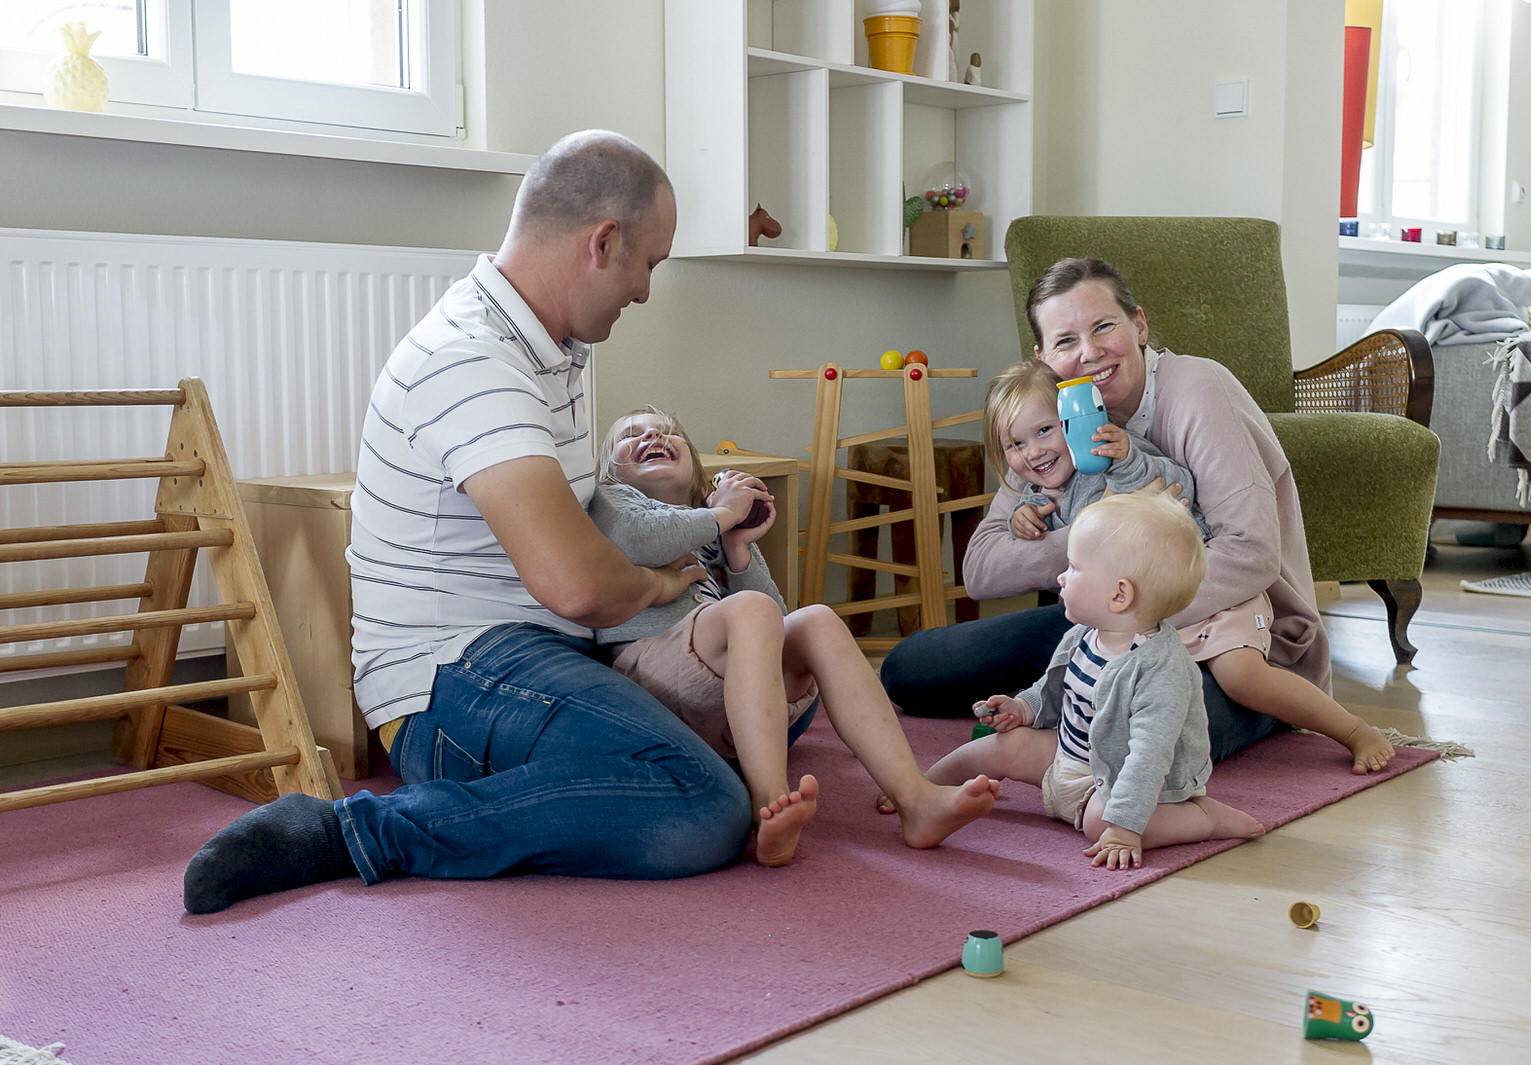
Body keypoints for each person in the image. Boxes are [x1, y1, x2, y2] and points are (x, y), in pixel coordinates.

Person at [182, 131, 760, 914]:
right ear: (603, 242)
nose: (647, 291)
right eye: (649, 264)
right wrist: (661, 581)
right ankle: (356, 830)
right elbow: (577, 584)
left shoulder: (559, 345)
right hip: (447, 675)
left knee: (775, 696)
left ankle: (566, 784)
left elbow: (588, 532)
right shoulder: (469, 358)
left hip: (541, 652)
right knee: (707, 805)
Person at [881, 257, 1393, 774]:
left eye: (1104, 326)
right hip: (1099, 618)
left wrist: (1132, 618)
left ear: (1139, 325)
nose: (1089, 352)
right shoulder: (1047, 425)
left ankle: (1071, 724)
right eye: (1065, 341)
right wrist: (1101, 540)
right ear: (1043, 357)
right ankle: (1066, 704)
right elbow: (984, 568)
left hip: (1231, 637)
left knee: (1135, 741)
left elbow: (1253, 553)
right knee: (911, 669)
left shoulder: (1198, 391)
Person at [589, 407, 998, 867]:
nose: (652, 436)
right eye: (631, 435)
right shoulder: (609, 501)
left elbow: (775, 624)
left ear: (697, 476)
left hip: (725, 686)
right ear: (610, 468)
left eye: (666, 432)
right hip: (651, 676)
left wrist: (739, 550)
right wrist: (722, 513)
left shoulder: (710, 526)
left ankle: (916, 799)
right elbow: (641, 540)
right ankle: (769, 804)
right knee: (750, 610)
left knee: (815, 618)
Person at [984, 359, 1392, 773]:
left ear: (1074, 420)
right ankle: (1053, 730)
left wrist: (1126, 461)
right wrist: (1024, 520)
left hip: (1210, 598)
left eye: (1043, 431)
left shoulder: (1115, 451)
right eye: (1015, 445)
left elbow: (1177, 482)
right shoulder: (1041, 493)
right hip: (1145, 619)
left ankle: (1353, 730)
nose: (1032, 452)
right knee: (1093, 675)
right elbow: (1021, 528)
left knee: (1241, 676)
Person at [924, 492, 1266, 869]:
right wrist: (1025, 707)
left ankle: (1204, 818)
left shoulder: (1161, 671)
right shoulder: (1086, 633)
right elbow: (1056, 686)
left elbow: (1147, 759)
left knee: (1101, 823)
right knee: (1004, 745)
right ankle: (923, 790)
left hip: (1121, 782)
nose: (1061, 577)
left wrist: (1125, 827)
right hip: (1067, 757)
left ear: (1119, 594)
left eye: (1073, 568)